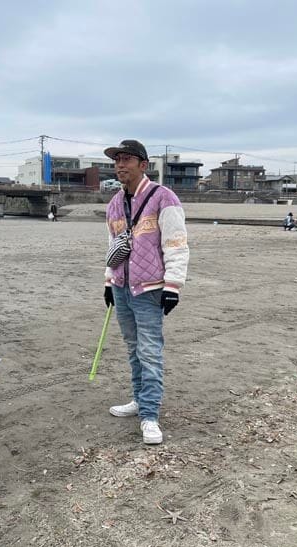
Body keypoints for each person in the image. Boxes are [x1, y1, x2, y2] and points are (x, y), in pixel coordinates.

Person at [102, 140, 189, 445]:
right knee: (132, 347)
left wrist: (173, 285)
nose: (120, 165)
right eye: (117, 161)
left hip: (150, 289)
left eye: (126, 159)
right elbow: (112, 246)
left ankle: (149, 415)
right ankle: (139, 400)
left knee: (149, 351)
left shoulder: (163, 197)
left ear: (143, 165)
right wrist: (108, 281)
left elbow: (176, 242)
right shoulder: (114, 203)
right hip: (123, 287)